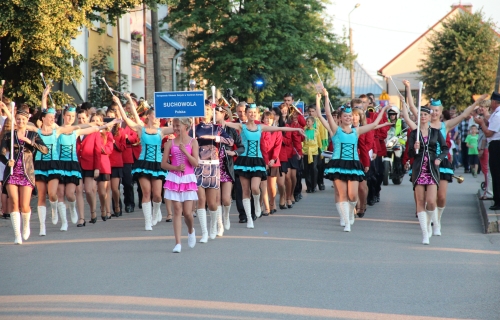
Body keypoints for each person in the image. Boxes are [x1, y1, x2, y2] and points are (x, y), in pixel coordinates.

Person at [316, 90, 388, 232]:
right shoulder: (336, 130)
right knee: (342, 194)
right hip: (338, 163)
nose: (348, 118)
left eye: (350, 116)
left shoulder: (357, 131)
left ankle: (350, 212)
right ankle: (347, 221)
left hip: (353, 164)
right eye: (345, 116)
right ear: (341, 118)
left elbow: (373, 125)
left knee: (353, 195)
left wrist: (383, 110)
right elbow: (324, 114)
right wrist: (323, 98)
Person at [225, 104, 305, 228]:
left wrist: (297, 129)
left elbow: (280, 129)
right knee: (245, 191)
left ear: (257, 114)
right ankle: (249, 218)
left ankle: (257, 203)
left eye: (254, 112)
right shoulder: (241, 126)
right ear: (246, 114)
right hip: (243, 161)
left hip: (257, 161)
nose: (252, 114)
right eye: (249, 112)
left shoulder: (260, 127)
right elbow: (224, 123)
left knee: (255, 188)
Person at [113, 95, 174, 230]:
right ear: (149, 116)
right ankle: (148, 221)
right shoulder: (142, 129)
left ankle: (156, 211)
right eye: (155, 116)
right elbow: (128, 119)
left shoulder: (162, 131)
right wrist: (122, 102)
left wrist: (179, 113)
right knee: (146, 193)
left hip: (157, 164)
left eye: (159, 117)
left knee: (157, 195)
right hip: (143, 163)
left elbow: (179, 127)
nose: (158, 118)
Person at [0, 109, 48, 244]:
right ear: (15, 119)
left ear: (28, 120)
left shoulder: (33, 134)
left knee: (24, 205)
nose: (21, 121)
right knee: (14, 202)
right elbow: (1, 153)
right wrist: (7, 161)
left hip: (27, 172)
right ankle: (17, 234)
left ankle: (26, 225)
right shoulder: (9, 135)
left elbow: (45, 150)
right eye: (18, 119)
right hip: (12, 172)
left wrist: (30, 141)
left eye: (23, 119)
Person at [192, 103, 234, 242]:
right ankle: (204, 233)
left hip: (213, 166)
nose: (205, 112)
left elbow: (230, 140)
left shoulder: (217, 128)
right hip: (199, 166)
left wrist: (215, 138)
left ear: (212, 112)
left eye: (208, 109)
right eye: (203, 109)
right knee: (201, 200)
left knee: (212, 203)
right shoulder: (195, 128)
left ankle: (214, 226)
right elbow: (187, 142)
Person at [407, 106, 449, 245]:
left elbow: (445, 148)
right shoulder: (414, 133)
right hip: (419, 169)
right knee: (420, 201)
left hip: (432, 168)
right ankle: (425, 233)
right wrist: (415, 148)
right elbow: (410, 154)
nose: (423, 117)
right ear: (417, 118)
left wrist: (439, 158)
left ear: (430, 117)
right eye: (421, 115)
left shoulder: (436, 132)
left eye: (425, 114)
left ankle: (431, 221)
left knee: (431, 201)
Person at [162, 118, 199, 253]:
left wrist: (185, 152)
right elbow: (163, 164)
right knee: (177, 210)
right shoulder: (169, 143)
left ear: (186, 126)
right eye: (174, 125)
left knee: (187, 213)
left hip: (188, 179)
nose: (175, 128)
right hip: (174, 178)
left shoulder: (193, 142)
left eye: (178, 125)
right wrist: (176, 167)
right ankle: (178, 243)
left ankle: (190, 230)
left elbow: (196, 163)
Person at [216, 106, 244, 234]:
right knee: (216, 200)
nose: (214, 115)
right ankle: (219, 224)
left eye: (217, 113)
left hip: (226, 166)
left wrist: (233, 152)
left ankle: (226, 215)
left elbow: (241, 147)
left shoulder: (231, 130)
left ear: (223, 114)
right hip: (212, 167)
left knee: (226, 199)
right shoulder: (209, 129)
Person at [474, 91, 500, 211]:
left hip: (496, 145)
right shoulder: (496, 114)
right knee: (494, 173)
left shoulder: (498, 114)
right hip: (495, 144)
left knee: (496, 173)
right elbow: (491, 123)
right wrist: (485, 119)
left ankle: (498, 201)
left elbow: (489, 132)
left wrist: (481, 123)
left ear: (495, 102)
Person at [260, 111, 282, 215]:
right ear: (263, 119)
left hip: (274, 161)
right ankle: (265, 206)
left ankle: (272, 202)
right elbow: (262, 146)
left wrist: (273, 159)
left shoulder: (277, 131)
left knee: (272, 186)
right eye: (266, 118)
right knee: (262, 185)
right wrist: (265, 161)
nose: (268, 120)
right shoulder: (261, 130)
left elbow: (278, 146)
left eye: (270, 118)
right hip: (263, 160)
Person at [106, 108, 126, 217]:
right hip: (105, 162)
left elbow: (123, 147)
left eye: (112, 117)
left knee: (115, 188)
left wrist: (114, 142)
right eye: (108, 116)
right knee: (106, 188)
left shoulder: (120, 131)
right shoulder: (103, 130)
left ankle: (117, 205)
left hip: (116, 162)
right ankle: (108, 210)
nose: (110, 119)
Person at [302, 116, 321, 193]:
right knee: (306, 169)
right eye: (307, 121)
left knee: (313, 168)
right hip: (306, 151)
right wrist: (301, 150)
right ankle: (308, 186)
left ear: (313, 122)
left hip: (314, 152)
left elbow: (319, 142)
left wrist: (321, 150)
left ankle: (314, 186)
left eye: (309, 121)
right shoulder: (304, 131)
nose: (307, 123)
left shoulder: (316, 131)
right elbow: (302, 141)